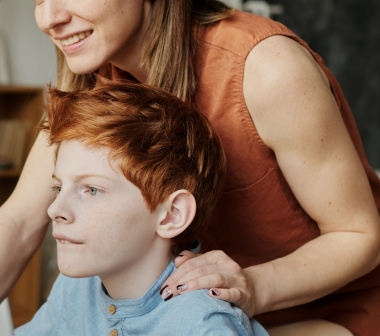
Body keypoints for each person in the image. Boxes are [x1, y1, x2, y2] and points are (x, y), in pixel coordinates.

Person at [0, 0, 380, 336]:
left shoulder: (265, 69)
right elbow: (21, 219)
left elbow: (361, 236)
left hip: (320, 317)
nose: (49, 16)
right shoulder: (91, 81)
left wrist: (251, 286)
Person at [14, 79, 268, 335]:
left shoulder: (203, 325)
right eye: (59, 189)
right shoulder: (76, 286)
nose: (55, 209)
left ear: (172, 215)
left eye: (92, 190)